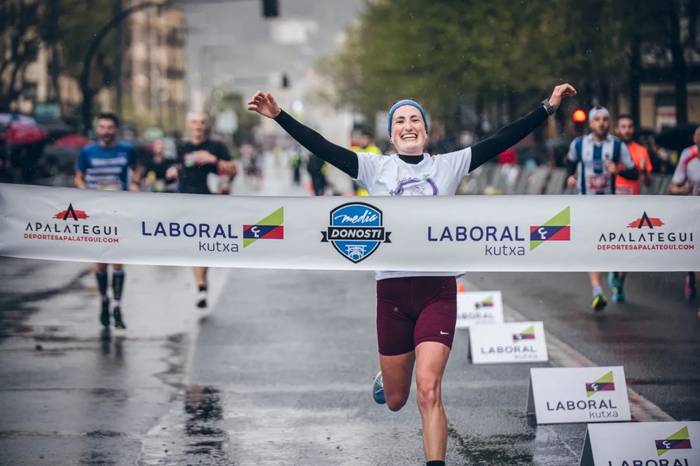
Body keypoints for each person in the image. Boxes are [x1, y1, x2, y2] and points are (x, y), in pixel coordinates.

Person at [248, 83, 576, 466]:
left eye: (415, 119)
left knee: (428, 389)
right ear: (391, 134)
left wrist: (548, 108)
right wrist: (279, 117)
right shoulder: (375, 168)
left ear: (426, 130)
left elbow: (502, 139)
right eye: (400, 121)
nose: (408, 125)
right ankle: (387, 376)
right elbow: (323, 148)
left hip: (438, 290)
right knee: (396, 399)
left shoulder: (449, 165)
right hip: (392, 292)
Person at [565, 106, 638, 312]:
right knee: (592, 249)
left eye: (605, 119)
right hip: (585, 205)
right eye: (597, 120)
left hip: (610, 206)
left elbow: (634, 173)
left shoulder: (617, 146)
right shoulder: (578, 145)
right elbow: (569, 162)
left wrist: (619, 170)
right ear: (590, 123)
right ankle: (597, 291)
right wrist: (570, 177)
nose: (601, 123)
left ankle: (615, 274)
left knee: (616, 248)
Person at [74, 112, 140, 330]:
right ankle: (104, 300)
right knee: (101, 261)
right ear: (97, 129)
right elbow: (79, 177)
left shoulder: (127, 150)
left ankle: (118, 305)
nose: (106, 131)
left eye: (110, 127)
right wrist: (84, 193)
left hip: (119, 210)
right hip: (96, 212)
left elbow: (136, 170)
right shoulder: (87, 152)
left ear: (116, 130)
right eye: (102, 127)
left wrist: (134, 184)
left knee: (118, 259)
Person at [167, 112, 237, 309]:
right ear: (189, 124)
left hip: (210, 200)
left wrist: (213, 160)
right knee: (194, 246)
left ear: (207, 125)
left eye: (202, 122)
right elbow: (176, 168)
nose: (198, 126)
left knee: (205, 244)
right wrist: (173, 172)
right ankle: (201, 286)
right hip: (186, 199)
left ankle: (202, 283)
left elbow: (232, 169)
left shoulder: (217, 146)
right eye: (195, 122)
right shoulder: (182, 147)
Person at [607, 114, 654, 302]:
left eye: (629, 126)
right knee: (612, 242)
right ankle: (613, 270)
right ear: (618, 129)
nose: (627, 129)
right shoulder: (611, 148)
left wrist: (643, 171)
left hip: (633, 204)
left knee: (628, 247)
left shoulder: (642, 151)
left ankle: (620, 282)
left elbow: (648, 182)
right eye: (623, 126)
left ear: (633, 129)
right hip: (612, 203)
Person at [670, 126, 700, 310]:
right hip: (694, 212)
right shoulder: (687, 156)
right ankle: (691, 274)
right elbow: (673, 187)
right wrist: (683, 190)